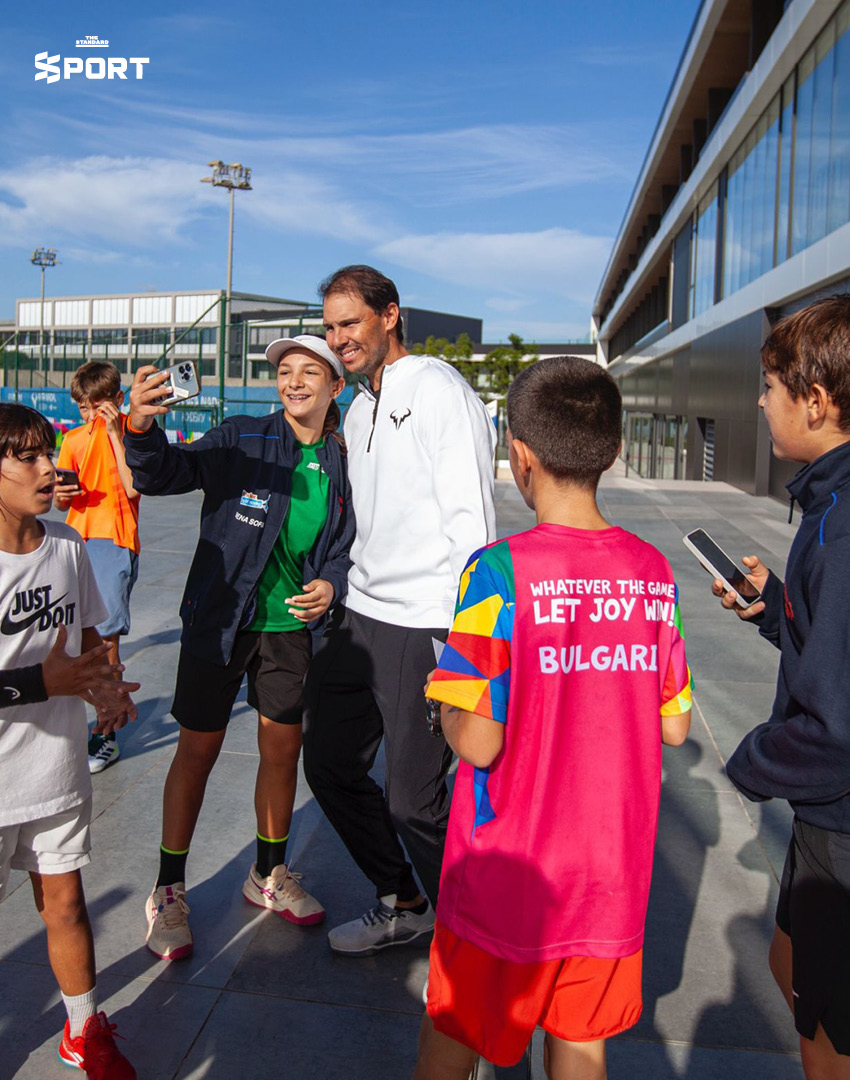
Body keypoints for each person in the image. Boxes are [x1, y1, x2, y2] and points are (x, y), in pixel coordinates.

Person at [414, 356, 692, 1080]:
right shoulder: (652, 572)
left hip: (506, 874)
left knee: (455, 1034)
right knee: (580, 1046)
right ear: (614, 450)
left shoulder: (495, 573)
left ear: (521, 455)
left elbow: (479, 742)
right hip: (609, 875)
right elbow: (674, 724)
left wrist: (443, 701)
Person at [124, 335, 353, 962]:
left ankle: (268, 874)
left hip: (289, 629)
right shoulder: (242, 436)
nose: (294, 380)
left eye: (310, 372)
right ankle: (168, 890)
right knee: (197, 751)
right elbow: (163, 473)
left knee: (282, 750)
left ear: (336, 386)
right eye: (285, 370)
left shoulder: (343, 457)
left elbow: (344, 542)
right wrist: (140, 426)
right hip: (219, 621)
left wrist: (332, 582)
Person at [302, 265, 497, 956]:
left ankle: (479, 944)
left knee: (414, 802)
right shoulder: (357, 407)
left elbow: (473, 523)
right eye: (330, 327)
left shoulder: (440, 389)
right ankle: (405, 901)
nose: (338, 339)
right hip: (360, 617)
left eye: (350, 323)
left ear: (390, 315)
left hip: (427, 620)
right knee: (328, 764)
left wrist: (469, 639)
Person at [712, 296, 850, 1080]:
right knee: (789, 968)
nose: (761, 403)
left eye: (770, 387)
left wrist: (748, 763)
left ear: (817, 401)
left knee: (824, 1034)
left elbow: (838, 730)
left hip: (841, 827)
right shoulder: (829, 504)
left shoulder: (841, 527)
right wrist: (778, 610)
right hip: (826, 823)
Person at [0, 402, 139, 1080]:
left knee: (66, 903)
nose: (46, 468)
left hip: (54, 771)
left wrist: (106, 688)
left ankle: (84, 1028)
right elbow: (46, 674)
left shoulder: (67, 547)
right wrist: (36, 683)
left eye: (46, 453)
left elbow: (87, 641)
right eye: (26, 457)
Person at [54, 361, 141, 774]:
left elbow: (133, 487)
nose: (90, 414)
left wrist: (114, 433)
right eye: (83, 407)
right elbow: (61, 503)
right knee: (69, 637)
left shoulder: (132, 432)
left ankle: (106, 736)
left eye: (97, 405)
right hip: (75, 540)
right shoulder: (72, 439)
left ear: (117, 400)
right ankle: (76, 725)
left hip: (115, 540)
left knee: (105, 639)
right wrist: (62, 495)